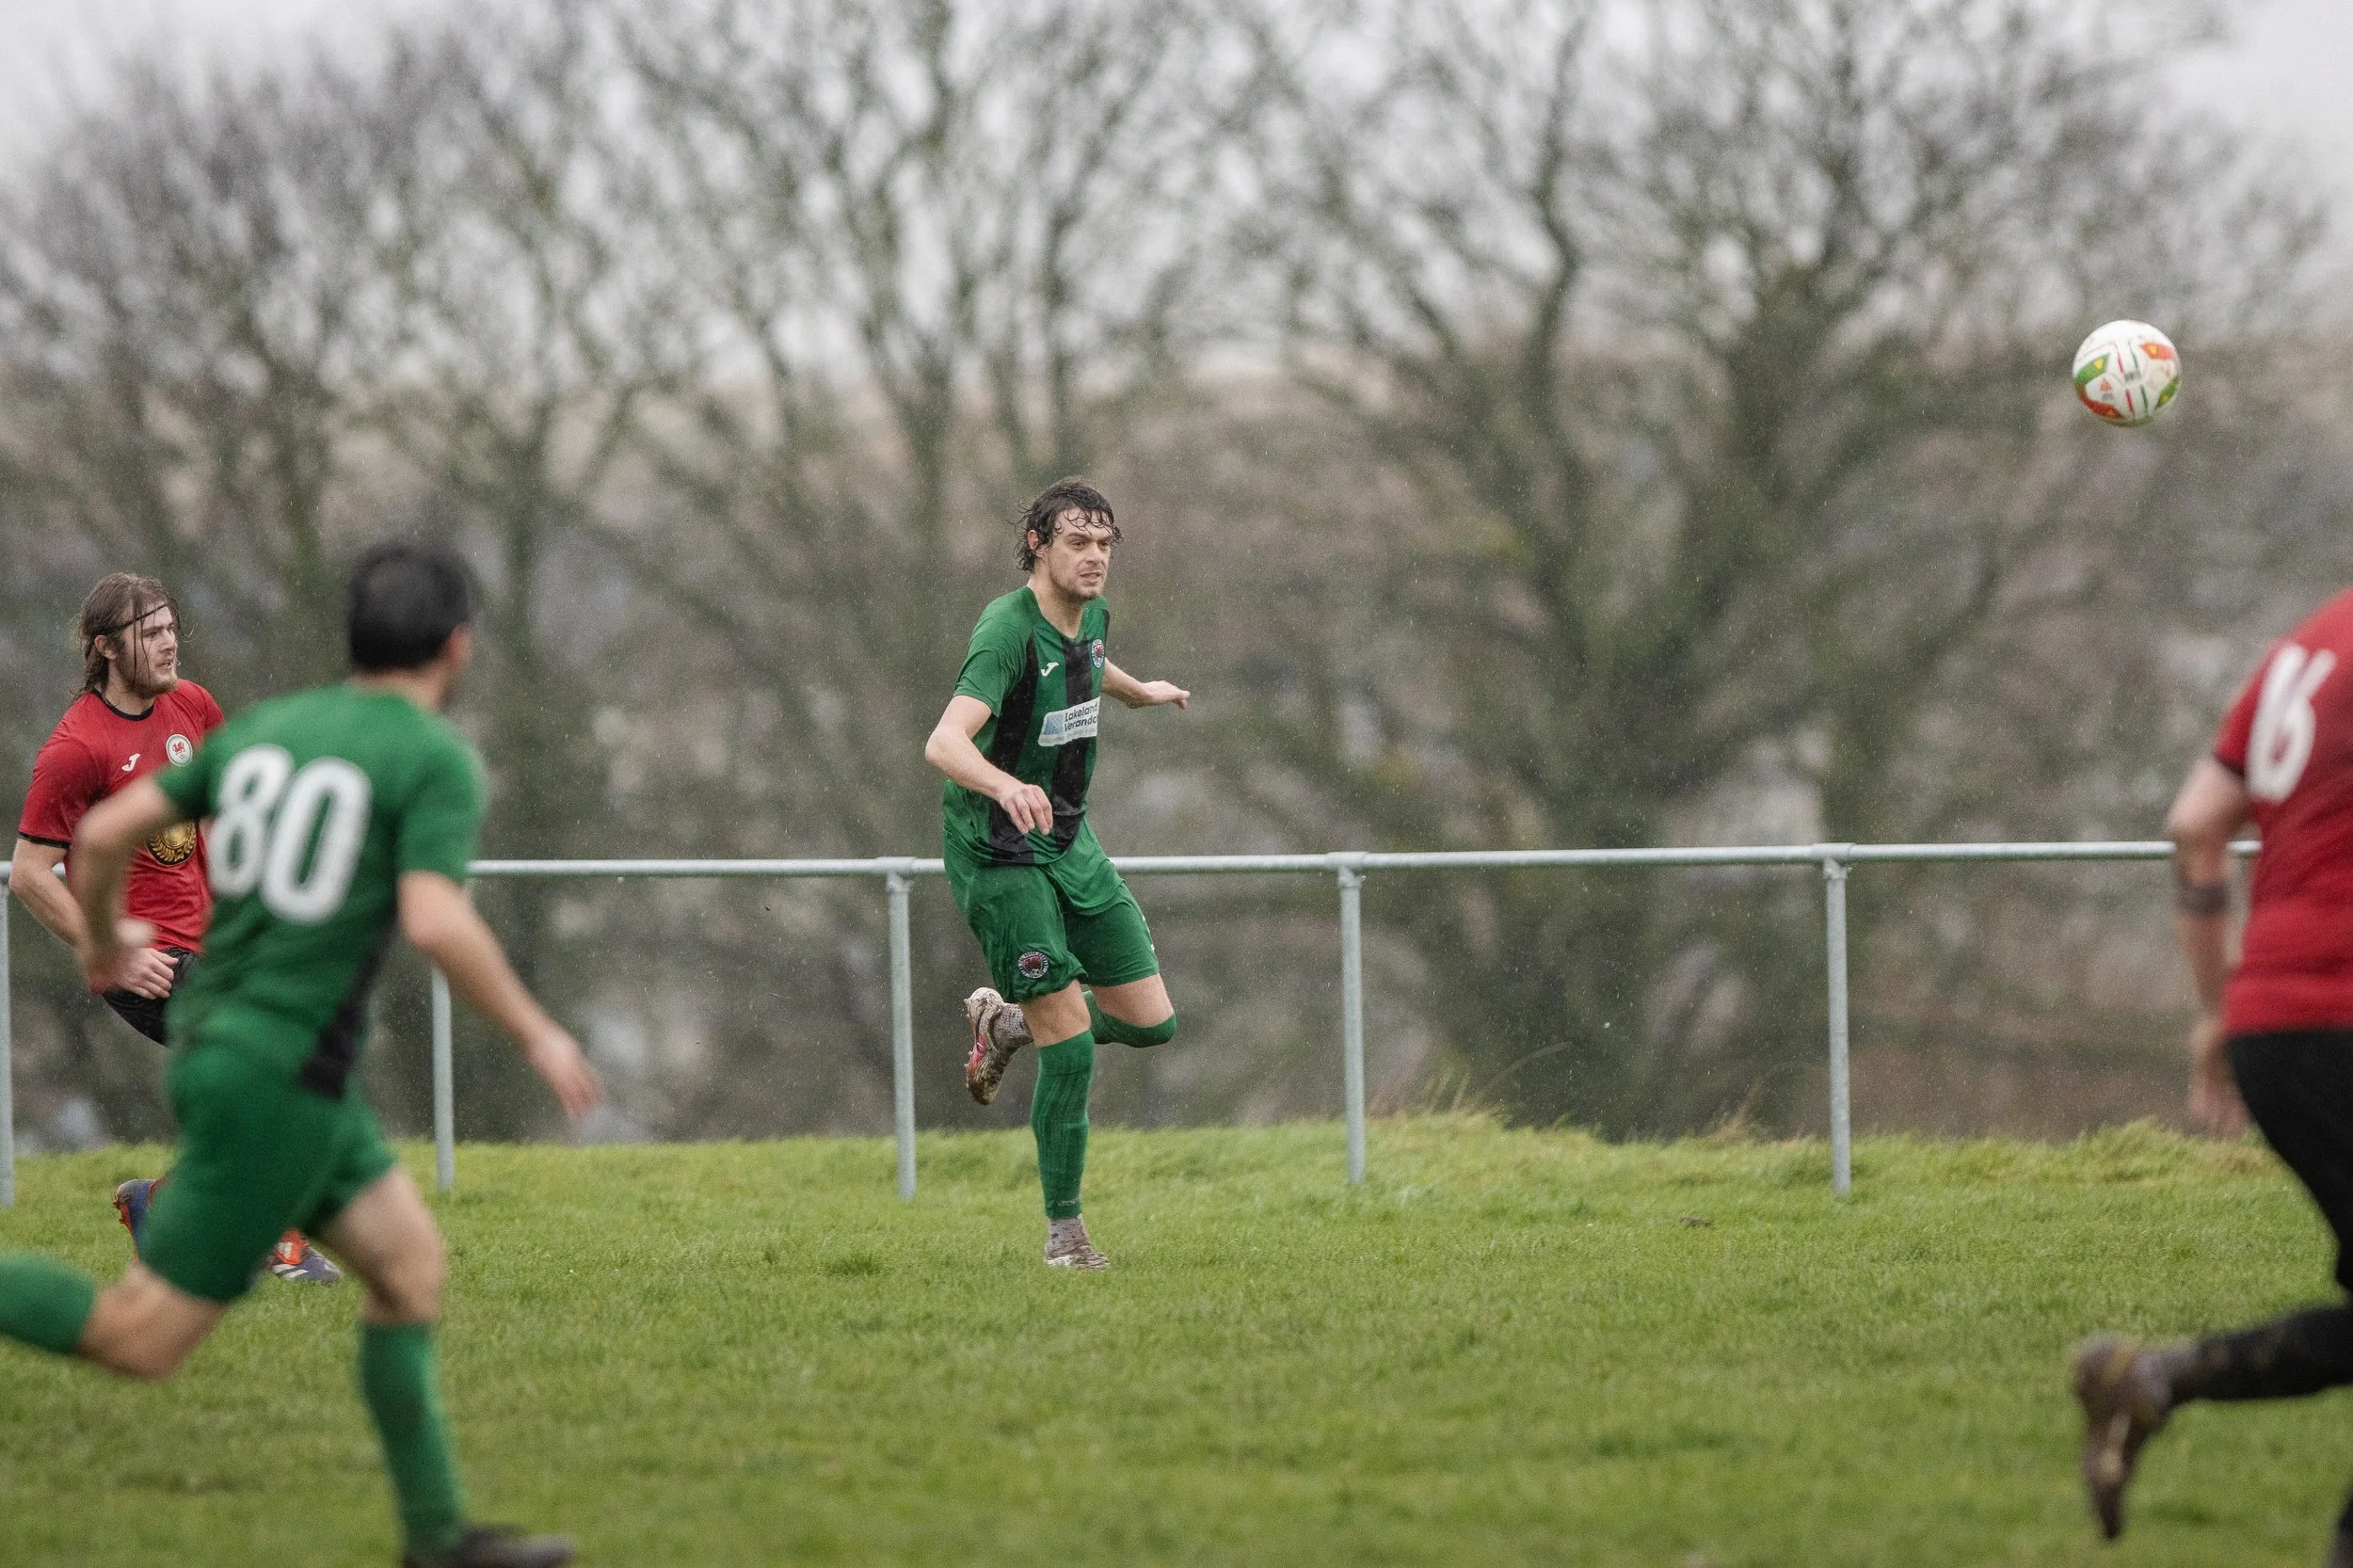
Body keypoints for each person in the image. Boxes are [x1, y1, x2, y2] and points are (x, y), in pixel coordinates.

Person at [0, 541, 601, 1568]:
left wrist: (99, 944)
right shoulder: (433, 756)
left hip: (260, 1052)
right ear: (457, 649)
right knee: (139, 1339)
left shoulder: (272, 726)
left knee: (408, 1268)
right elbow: (435, 917)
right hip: (274, 1069)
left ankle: (438, 1540)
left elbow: (101, 846)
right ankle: (439, 1539)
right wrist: (538, 1030)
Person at [2073, 586, 2353, 1566]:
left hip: (2272, 1025)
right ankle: (2152, 1379)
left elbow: (2196, 823)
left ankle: (2149, 1381)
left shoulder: (2303, 648)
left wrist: (2211, 1007)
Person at [10, 573, 338, 1284]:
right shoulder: (76, 748)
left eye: (170, 628)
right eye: (150, 633)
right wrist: (109, 953)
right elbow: (31, 873)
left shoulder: (192, 707)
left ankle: (161, 1205)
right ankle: (276, 1241)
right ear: (106, 648)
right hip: (145, 960)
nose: (169, 644)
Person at [924, 477, 1192, 1270]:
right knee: (1071, 1046)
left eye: (1105, 543)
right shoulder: (1004, 631)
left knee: (1152, 1023)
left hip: (1067, 837)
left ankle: (1009, 1024)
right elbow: (944, 742)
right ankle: (1065, 1239)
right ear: (1038, 544)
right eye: (1078, 541)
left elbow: (1086, 662)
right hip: (999, 851)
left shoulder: (1094, 616)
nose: (1095, 557)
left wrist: (1139, 693)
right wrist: (1004, 783)